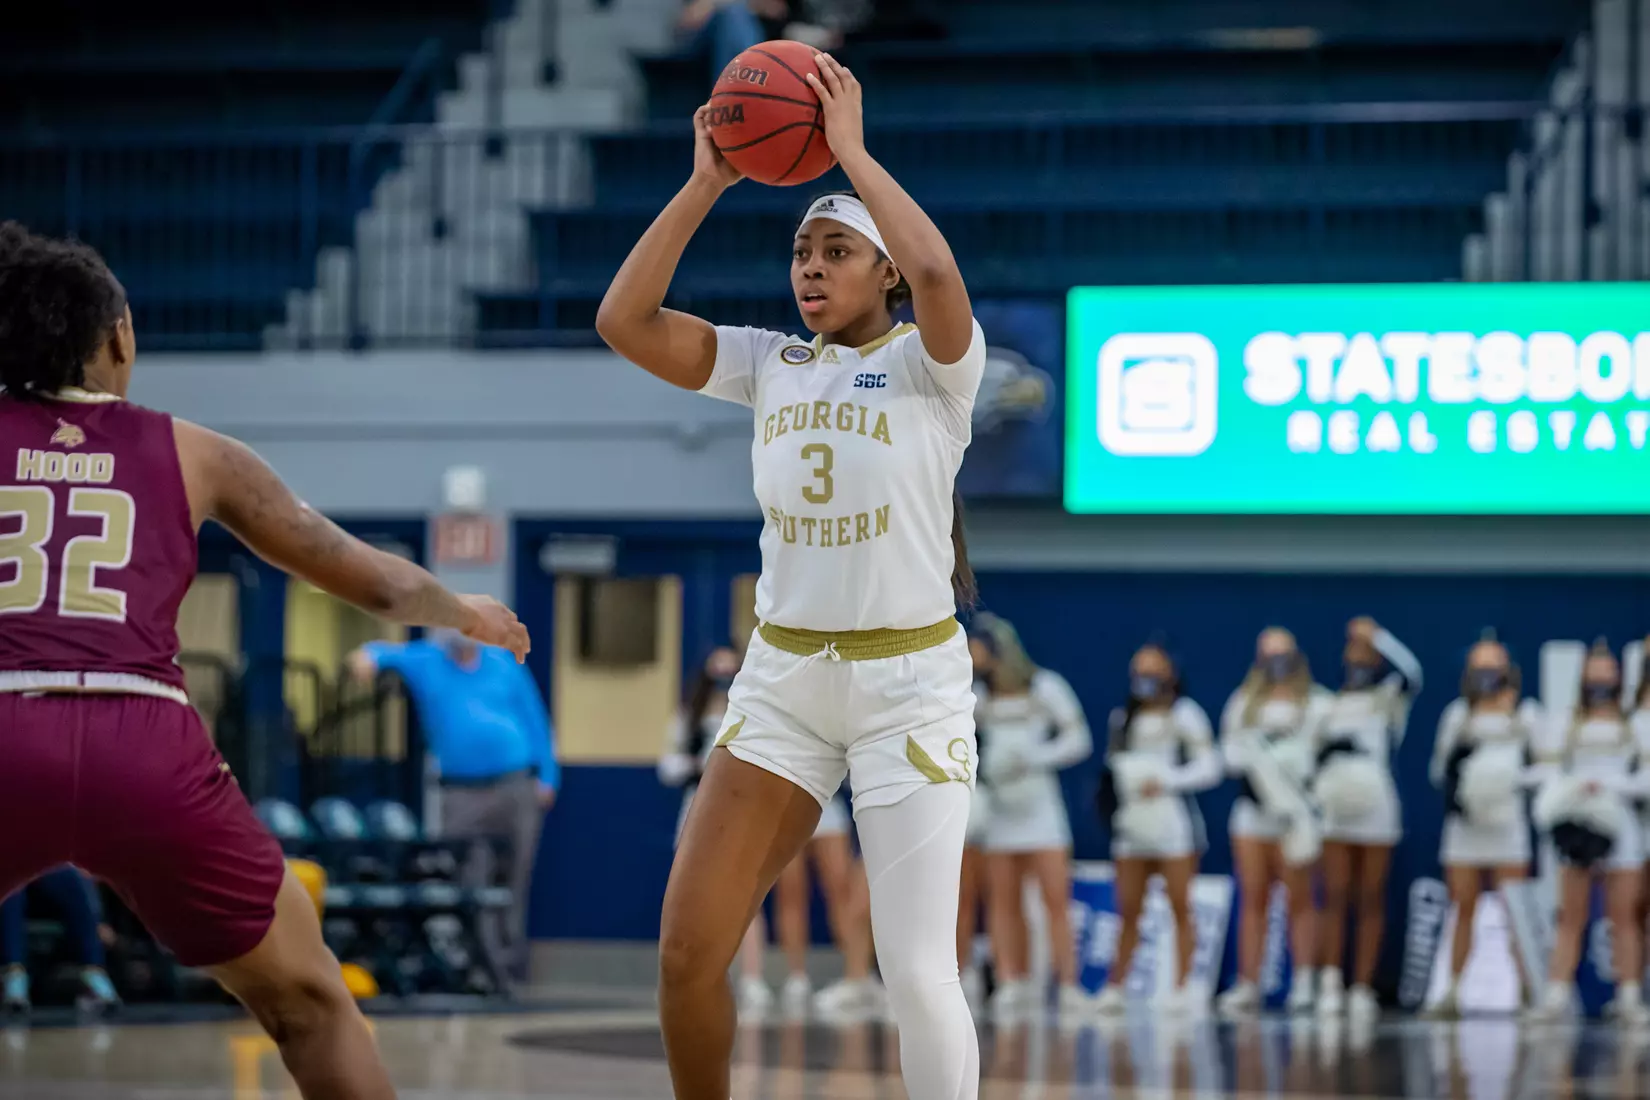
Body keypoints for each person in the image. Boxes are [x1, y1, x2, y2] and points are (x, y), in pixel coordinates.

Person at [0, 221, 528, 1100]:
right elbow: (373, 583)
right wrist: (462, 608)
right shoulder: (192, 450)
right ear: (117, 338)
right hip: (144, 741)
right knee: (312, 1003)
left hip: (7, 722)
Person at [595, 52, 986, 1100]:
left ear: (883, 270)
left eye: (836, 250)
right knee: (686, 955)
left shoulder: (932, 366)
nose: (810, 267)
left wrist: (852, 151)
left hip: (910, 687)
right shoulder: (771, 361)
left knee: (913, 968)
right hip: (785, 685)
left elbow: (942, 277)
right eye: (800, 250)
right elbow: (623, 322)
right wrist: (706, 183)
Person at [347, 627, 557, 985]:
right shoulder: (427, 659)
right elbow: (377, 651)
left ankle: (509, 971)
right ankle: (480, 970)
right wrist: (365, 660)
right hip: (462, 792)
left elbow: (535, 719)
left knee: (515, 880)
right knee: (470, 880)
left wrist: (549, 776)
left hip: (515, 784)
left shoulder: (503, 663)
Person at [967, 613, 1093, 1019]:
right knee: (1003, 901)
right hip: (1001, 812)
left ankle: (1069, 984)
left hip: (1041, 810)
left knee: (1056, 898)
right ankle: (1011, 979)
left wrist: (1034, 758)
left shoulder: (1045, 687)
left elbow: (1079, 740)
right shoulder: (977, 696)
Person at [1093, 641, 1219, 1015]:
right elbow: (1111, 766)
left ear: (1170, 675)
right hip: (1133, 826)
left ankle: (1185, 987)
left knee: (1181, 905)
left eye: (1153, 669)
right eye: (1139, 670)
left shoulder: (1185, 715)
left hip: (1172, 824)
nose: (1145, 678)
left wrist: (1167, 780)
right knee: (1128, 908)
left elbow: (1210, 766)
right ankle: (1116, 985)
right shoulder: (1122, 719)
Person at [1525, 642, 1647, 1023]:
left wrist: (1610, 785)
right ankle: (1556, 996)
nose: (1600, 683)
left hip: (1621, 826)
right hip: (1579, 824)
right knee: (1571, 915)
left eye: (1607, 676)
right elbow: (1548, 773)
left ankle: (1628, 997)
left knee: (1624, 914)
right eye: (1593, 676)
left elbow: (1645, 780)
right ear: (1582, 680)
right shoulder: (1563, 722)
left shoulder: (1638, 725)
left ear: (1620, 679)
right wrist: (1572, 790)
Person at [1215, 627, 1331, 1016]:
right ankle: (1248, 983)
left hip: (1294, 814)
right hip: (1252, 813)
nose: (1277, 663)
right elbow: (1228, 754)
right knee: (1253, 898)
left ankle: (1303, 981)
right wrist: (1258, 765)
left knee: (1301, 897)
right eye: (1268, 655)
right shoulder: (1244, 701)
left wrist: (1291, 769)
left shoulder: (1317, 703)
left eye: (1283, 654)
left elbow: (1324, 756)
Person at [1426, 636, 1542, 1018]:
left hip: (1508, 825)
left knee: (1516, 912)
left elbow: (1543, 769)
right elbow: (1438, 772)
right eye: (1480, 668)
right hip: (1467, 826)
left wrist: (1506, 780)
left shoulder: (1526, 715)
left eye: (1495, 668)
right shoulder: (1457, 715)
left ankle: (1529, 992)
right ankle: (1453, 991)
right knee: (1464, 908)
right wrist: (1468, 765)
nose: (1488, 677)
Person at [1314, 616, 1422, 1020]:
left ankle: (1362, 986)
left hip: (1377, 804)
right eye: (1353, 651)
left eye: (1367, 654)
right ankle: (1329, 981)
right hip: (1336, 805)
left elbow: (1414, 672)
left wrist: (1380, 635)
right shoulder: (1327, 702)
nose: (1358, 657)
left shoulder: (1389, 698)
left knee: (1371, 896)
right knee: (1335, 894)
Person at [1, 868, 120, 1013]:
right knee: (10, 879)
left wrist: (100, 919)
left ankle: (93, 972)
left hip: (42, 873)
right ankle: (14, 976)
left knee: (71, 877)